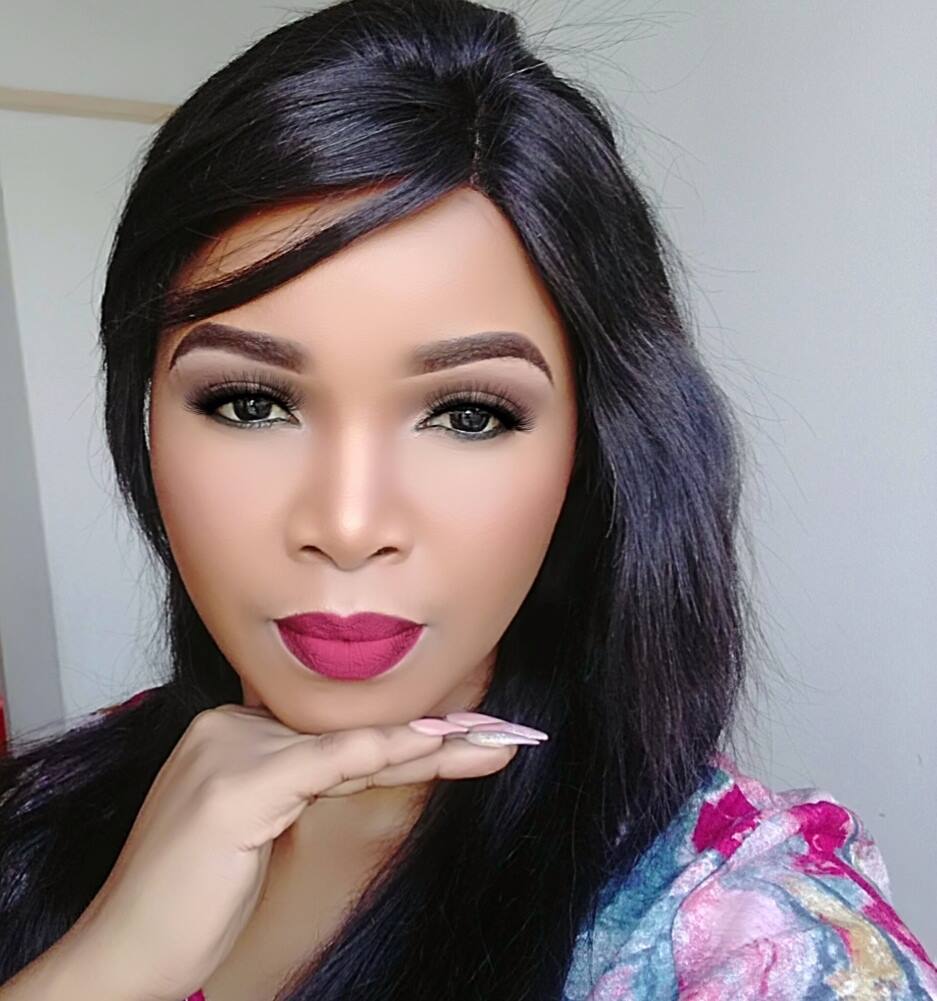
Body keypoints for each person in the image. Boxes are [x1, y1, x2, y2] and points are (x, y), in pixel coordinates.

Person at [0, 1, 934, 999]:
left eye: (467, 414)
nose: (348, 525)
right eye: (252, 401)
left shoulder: (759, 945)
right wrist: (106, 963)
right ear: (144, 415)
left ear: (592, 448)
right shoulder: (42, 813)